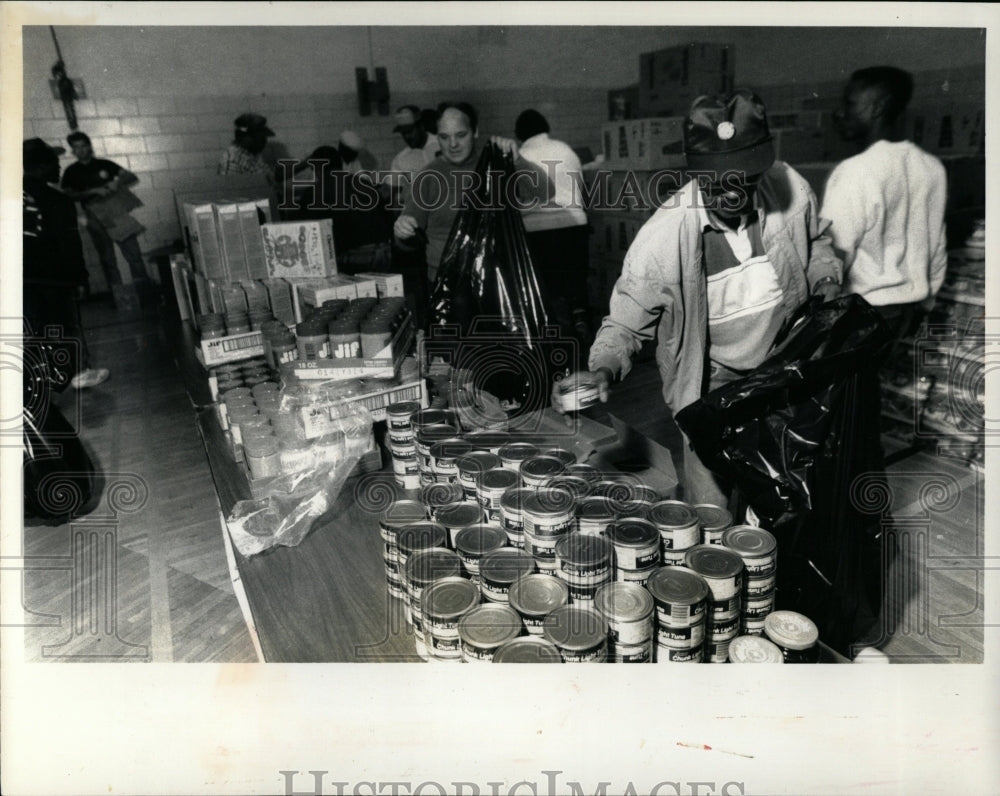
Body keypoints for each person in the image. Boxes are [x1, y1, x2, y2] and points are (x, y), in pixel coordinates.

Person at [555, 90, 843, 507]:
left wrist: (826, 279)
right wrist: (601, 370)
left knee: (781, 497)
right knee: (712, 509)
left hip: (783, 371)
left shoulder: (791, 190)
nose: (732, 193)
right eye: (716, 180)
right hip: (712, 386)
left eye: (744, 176)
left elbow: (817, 241)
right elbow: (623, 325)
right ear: (695, 171)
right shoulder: (663, 237)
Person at [821, 66, 947, 344]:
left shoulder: (856, 171)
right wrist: (924, 305)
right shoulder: (930, 167)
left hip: (860, 317)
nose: (839, 113)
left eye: (849, 104)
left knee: (854, 389)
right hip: (907, 313)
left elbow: (833, 257)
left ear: (877, 108)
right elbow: (937, 249)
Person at [393, 101, 554, 289]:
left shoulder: (497, 166)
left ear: (475, 131)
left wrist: (517, 160)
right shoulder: (427, 178)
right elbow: (408, 241)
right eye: (444, 137)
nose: (453, 144)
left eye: (461, 135)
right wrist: (402, 231)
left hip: (498, 280)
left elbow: (545, 192)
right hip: (447, 284)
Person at [23, 138, 109, 389]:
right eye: (54, 162)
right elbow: (69, 244)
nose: (59, 167)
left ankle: (38, 382)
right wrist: (81, 278)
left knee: (33, 329)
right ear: (41, 166)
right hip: (54, 277)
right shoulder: (57, 200)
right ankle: (79, 372)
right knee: (67, 325)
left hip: (20, 278)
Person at [514, 109, 590, 342]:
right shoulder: (565, 149)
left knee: (552, 289)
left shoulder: (521, 155)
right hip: (575, 224)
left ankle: (563, 338)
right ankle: (581, 324)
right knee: (575, 283)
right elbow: (580, 186)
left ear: (519, 134)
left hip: (538, 230)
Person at [60, 131, 147, 301]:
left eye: (83, 146)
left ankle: (144, 293)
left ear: (89, 147)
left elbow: (131, 176)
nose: (81, 150)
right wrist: (92, 191)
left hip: (116, 213)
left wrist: (117, 182)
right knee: (108, 259)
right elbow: (68, 195)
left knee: (134, 254)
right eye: (76, 147)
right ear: (73, 151)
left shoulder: (105, 164)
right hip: (94, 216)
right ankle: (119, 297)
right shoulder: (72, 171)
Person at [388, 105, 440, 189]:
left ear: (421, 126)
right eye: (403, 133)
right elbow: (392, 190)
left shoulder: (442, 145)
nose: (407, 136)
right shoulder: (400, 159)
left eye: (410, 131)